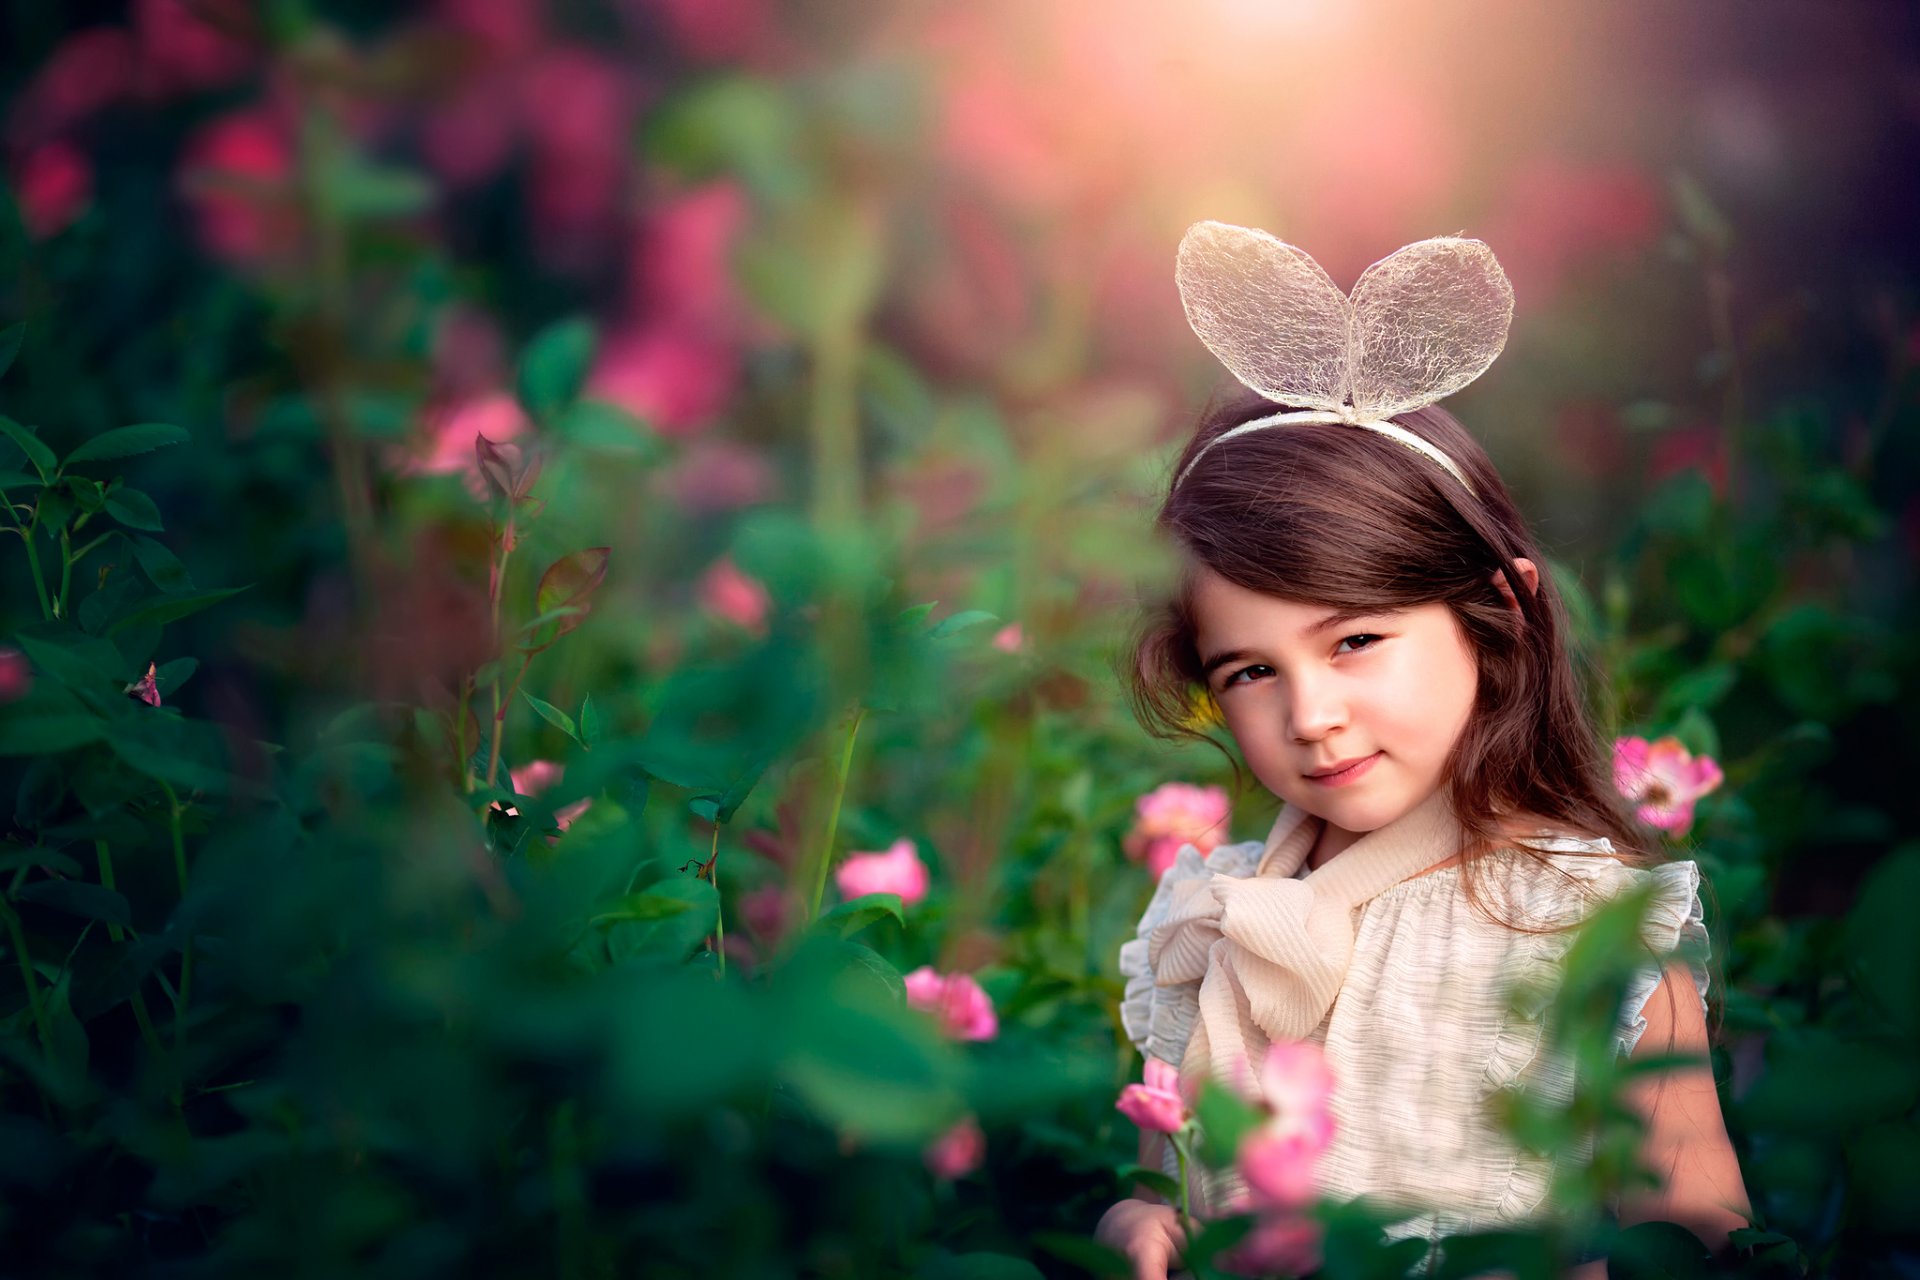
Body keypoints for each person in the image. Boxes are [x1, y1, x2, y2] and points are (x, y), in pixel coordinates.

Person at [1093, 224, 1751, 1278]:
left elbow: (1701, 1235)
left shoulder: (1591, 923)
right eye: (1250, 670)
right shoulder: (1219, 914)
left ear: (1500, 613)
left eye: (1355, 640)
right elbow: (1163, 1178)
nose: (1311, 714)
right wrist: (1140, 1223)